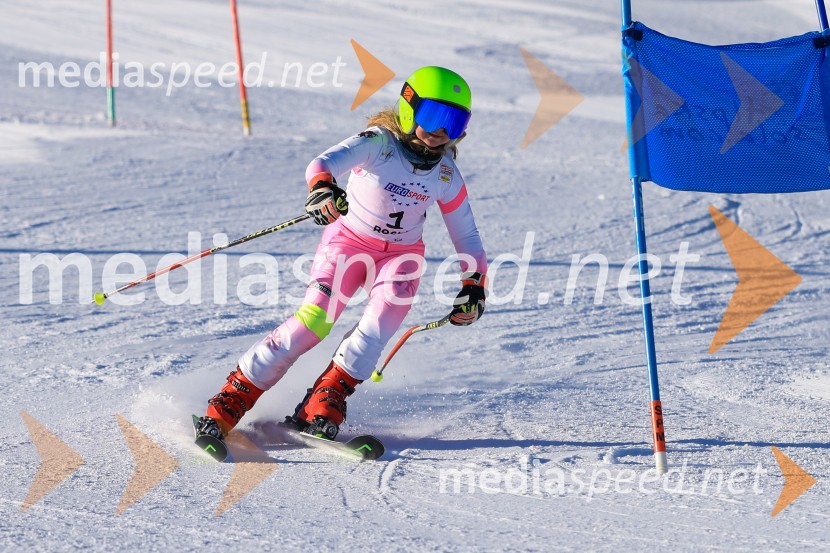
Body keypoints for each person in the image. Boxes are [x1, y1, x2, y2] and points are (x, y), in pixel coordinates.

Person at [195, 66, 488, 441]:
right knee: (313, 322)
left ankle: (326, 397)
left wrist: (474, 285)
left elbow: (468, 235)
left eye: (455, 122)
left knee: (378, 327)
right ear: (409, 106)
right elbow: (322, 164)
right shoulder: (379, 144)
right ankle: (232, 397)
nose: (441, 133)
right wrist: (322, 189)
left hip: (401, 257)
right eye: (434, 117)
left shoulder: (446, 174)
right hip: (348, 244)